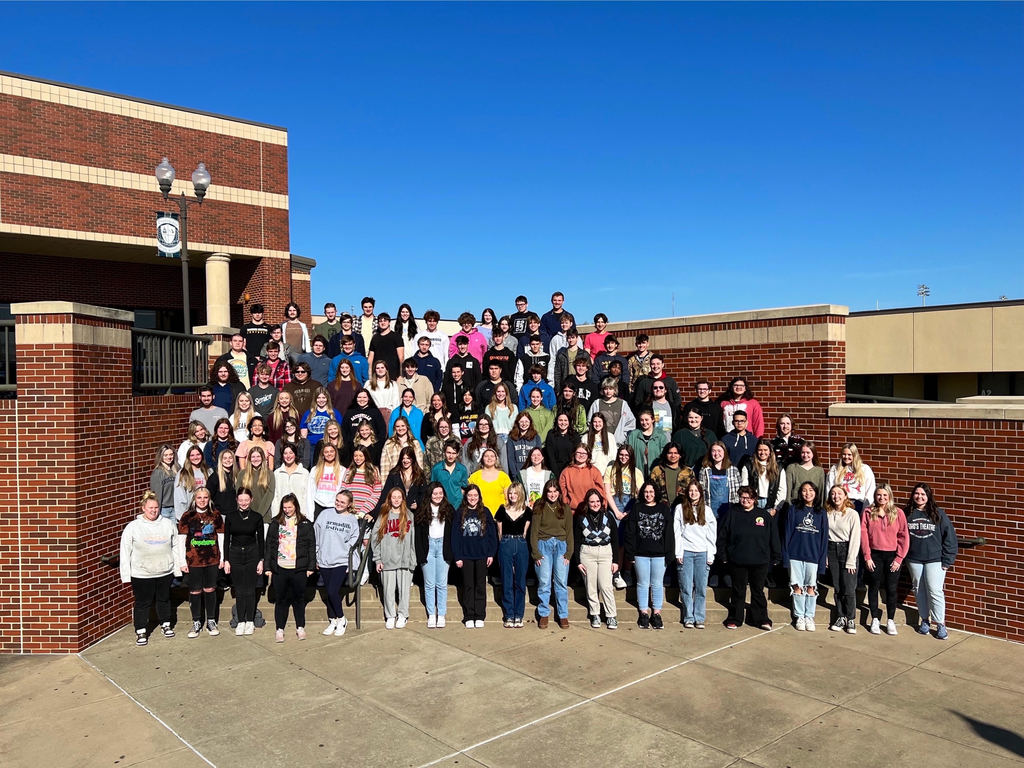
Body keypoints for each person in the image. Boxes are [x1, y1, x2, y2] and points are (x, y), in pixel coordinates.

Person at [120, 491, 183, 646]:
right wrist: (126, 575)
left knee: (164, 599)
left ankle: (165, 624)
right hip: (142, 574)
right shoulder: (133, 527)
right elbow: (125, 551)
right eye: (150, 508)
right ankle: (141, 630)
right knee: (143, 602)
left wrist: (177, 569)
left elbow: (176, 547)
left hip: (164, 571)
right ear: (143, 508)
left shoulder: (167, 524)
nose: (153, 510)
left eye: (156, 507)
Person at [718, 485, 781, 630]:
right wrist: (723, 555)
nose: (745, 500)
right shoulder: (732, 513)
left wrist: (776, 555)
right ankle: (735, 618)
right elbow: (722, 536)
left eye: (748, 498)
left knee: (758, 591)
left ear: (754, 499)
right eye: (742, 497)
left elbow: (774, 537)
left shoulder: (764, 516)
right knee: (738, 590)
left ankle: (761, 619)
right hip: (737, 560)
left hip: (760, 561)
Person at [905, 482, 958, 640]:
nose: (919, 497)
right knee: (918, 589)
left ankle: (940, 623)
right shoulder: (907, 513)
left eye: (923, 494)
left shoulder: (938, 513)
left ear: (928, 496)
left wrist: (947, 560)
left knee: (935, 590)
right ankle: (925, 620)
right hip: (914, 559)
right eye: (917, 494)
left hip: (935, 559)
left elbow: (950, 538)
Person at [265, 494, 315, 642]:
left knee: (299, 599)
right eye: (284, 507)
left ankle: (300, 627)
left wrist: (311, 566)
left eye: (290, 507)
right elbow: (270, 546)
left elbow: (311, 546)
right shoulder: (276, 523)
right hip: (280, 567)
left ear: (296, 507)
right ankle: (279, 629)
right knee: (281, 600)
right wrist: (268, 567)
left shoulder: (305, 523)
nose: (287, 510)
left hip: (298, 568)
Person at [861, 483, 909, 636]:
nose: (881, 498)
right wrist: (867, 557)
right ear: (875, 496)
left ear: (889, 496)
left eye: (884, 495)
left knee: (891, 588)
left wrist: (899, 558)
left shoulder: (898, 513)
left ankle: (890, 620)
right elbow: (864, 536)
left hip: (892, 556)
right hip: (874, 555)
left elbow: (903, 536)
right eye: (878, 495)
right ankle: (875, 618)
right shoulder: (868, 512)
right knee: (874, 586)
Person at [623, 482, 673, 629]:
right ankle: (643, 613)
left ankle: (656, 613)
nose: (649, 494)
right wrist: (630, 554)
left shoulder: (664, 509)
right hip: (640, 554)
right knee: (643, 583)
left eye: (651, 492)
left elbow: (669, 533)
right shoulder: (637, 508)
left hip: (660, 554)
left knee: (657, 584)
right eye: (646, 492)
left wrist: (669, 553)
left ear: (656, 493)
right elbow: (630, 533)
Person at [178, 488, 224, 638]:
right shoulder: (187, 516)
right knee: (195, 590)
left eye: (205, 497)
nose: (202, 500)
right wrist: (181, 560)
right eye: (199, 498)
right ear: (194, 499)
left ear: (209, 499)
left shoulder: (215, 515)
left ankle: (211, 620)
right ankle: (196, 621)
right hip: (193, 559)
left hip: (212, 559)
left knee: (210, 589)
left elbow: (221, 537)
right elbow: (180, 540)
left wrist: (222, 558)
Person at [782, 482, 829, 632]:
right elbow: (787, 533)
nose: (807, 493)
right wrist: (786, 556)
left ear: (815, 493)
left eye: (810, 490)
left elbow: (823, 538)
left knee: (810, 586)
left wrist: (822, 560)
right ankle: (799, 616)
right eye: (804, 491)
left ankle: (809, 616)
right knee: (796, 586)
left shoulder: (821, 513)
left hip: (813, 556)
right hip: (795, 554)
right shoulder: (793, 510)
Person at [451, 485, 498, 628]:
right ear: (466, 497)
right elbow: (455, 536)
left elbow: (492, 535)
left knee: (480, 586)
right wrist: (457, 556)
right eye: (470, 495)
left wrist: (491, 553)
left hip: (482, 555)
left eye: (475, 496)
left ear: (479, 497)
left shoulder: (485, 512)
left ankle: (480, 615)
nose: (472, 498)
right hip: (466, 556)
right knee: (468, 586)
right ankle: (469, 615)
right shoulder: (460, 513)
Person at [529, 480, 573, 629]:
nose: (552, 494)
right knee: (544, 581)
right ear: (545, 492)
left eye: (555, 491)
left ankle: (563, 614)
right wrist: (536, 552)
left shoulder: (565, 508)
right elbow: (533, 532)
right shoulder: (539, 507)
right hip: (543, 545)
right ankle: (544, 613)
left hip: (561, 546)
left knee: (561, 581)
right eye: (550, 491)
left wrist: (569, 553)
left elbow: (569, 533)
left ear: (559, 493)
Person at [574, 489, 619, 629]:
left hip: (606, 552)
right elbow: (576, 540)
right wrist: (578, 562)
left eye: (597, 501)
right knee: (591, 586)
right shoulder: (581, 517)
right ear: (587, 502)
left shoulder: (608, 516)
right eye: (592, 501)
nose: (595, 504)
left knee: (606, 586)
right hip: (587, 553)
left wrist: (616, 561)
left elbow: (616, 540)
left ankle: (611, 615)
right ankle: (595, 614)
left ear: (601, 502)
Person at [673, 480, 716, 629]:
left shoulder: (707, 510)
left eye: (696, 491)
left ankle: (699, 617)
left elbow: (712, 534)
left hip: (702, 553)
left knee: (701, 588)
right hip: (686, 552)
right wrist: (679, 551)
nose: (693, 493)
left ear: (700, 493)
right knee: (686, 587)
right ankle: (688, 617)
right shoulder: (680, 508)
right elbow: (677, 532)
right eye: (691, 491)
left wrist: (711, 554)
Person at [372, 487, 417, 630]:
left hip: (405, 559)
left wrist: (413, 559)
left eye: (399, 497)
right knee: (388, 591)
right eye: (393, 497)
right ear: (389, 499)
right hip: (387, 559)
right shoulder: (383, 515)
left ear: (403, 499)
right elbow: (375, 538)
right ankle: (390, 615)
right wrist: (378, 559)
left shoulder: (409, 515)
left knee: (404, 591)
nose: (396, 500)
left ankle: (403, 615)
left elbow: (414, 539)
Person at [223, 487, 266, 636]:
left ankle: (250, 620)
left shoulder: (257, 517)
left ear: (251, 500)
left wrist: (261, 560)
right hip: (235, 554)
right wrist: (226, 560)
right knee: (239, 590)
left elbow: (261, 540)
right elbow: (226, 539)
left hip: (252, 554)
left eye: (246, 500)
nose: (243, 503)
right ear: (237, 500)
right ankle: (241, 620)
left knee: (250, 589)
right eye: (241, 500)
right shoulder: (230, 517)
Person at [494, 481, 533, 630]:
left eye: (515, 493)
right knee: (507, 580)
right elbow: (499, 532)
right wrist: (504, 545)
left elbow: (526, 531)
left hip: (521, 545)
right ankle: (509, 614)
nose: (512, 495)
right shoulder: (502, 510)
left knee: (520, 581)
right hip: (506, 544)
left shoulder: (527, 511)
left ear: (520, 494)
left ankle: (519, 615)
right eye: (510, 493)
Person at [415, 482, 454, 628]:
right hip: (428, 547)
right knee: (429, 584)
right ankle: (431, 614)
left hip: (443, 547)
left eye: (440, 493)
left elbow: (453, 533)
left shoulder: (449, 509)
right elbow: (418, 535)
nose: (438, 496)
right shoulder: (422, 510)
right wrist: (420, 554)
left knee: (442, 584)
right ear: (430, 494)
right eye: (435, 493)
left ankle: (441, 614)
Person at [825, 485, 862, 633]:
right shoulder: (827, 513)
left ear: (845, 496)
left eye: (839, 493)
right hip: (832, 549)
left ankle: (851, 618)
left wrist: (851, 560)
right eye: (833, 494)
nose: (836, 496)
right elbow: (824, 537)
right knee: (837, 587)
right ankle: (841, 617)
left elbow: (855, 538)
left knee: (849, 587)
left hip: (847, 549)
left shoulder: (852, 514)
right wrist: (826, 556)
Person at [559, 444, 613, 513]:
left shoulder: (594, 471)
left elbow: (601, 491)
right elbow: (563, 492)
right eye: (578, 453)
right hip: (573, 512)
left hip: (591, 511)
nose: (581, 455)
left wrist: (603, 507)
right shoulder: (566, 472)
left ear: (588, 455)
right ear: (574, 454)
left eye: (584, 453)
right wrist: (566, 505)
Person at [826, 443, 877, 513]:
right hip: (840, 503)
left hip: (858, 504)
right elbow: (829, 488)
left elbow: (870, 490)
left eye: (849, 454)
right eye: (844, 454)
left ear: (855, 455)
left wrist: (867, 507)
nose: (846, 457)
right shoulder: (835, 469)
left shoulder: (865, 469)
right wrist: (830, 504)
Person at [379, 445, 429, 515]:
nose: (405, 461)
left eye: (408, 458)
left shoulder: (419, 474)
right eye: (403, 458)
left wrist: (418, 504)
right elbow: (385, 494)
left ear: (413, 459)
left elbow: (424, 494)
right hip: (396, 511)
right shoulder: (394, 474)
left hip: (414, 512)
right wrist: (375, 513)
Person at [698, 442, 741, 521]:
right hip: (710, 512)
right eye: (713, 451)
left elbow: (738, 492)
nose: (716, 453)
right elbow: (701, 491)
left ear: (724, 452)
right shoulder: (705, 470)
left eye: (719, 451)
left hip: (728, 511)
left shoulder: (733, 470)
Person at [745, 438, 788, 515]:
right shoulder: (749, 465)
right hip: (754, 502)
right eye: (760, 450)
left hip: (771, 504)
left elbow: (782, 489)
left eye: (765, 450)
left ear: (770, 451)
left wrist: (776, 507)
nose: (762, 452)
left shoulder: (778, 467)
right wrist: (748, 503)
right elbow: (744, 487)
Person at [588, 377, 636, 444]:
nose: (608, 391)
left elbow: (631, 422)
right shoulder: (597, 403)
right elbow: (590, 421)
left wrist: (622, 436)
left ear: (615, 390)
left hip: (618, 442)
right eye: (606, 389)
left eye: (610, 389)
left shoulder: (622, 404)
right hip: (600, 441)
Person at [340, 448, 383, 522]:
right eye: (355, 456)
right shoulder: (349, 471)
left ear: (365, 456)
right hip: (349, 512)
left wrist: (363, 511)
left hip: (366, 514)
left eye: (361, 456)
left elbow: (376, 494)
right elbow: (343, 490)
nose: (358, 458)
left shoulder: (374, 471)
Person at [632, 355, 681, 420]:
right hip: (649, 419)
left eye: (658, 364)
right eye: (653, 364)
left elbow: (677, 400)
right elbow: (638, 402)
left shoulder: (670, 381)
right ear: (650, 365)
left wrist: (674, 415)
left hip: (667, 417)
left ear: (662, 365)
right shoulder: (644, 382)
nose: (655, 366)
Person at [468, 447, 512, 515]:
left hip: (499, 516)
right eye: (486, 456)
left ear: (496, 459)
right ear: (482, 459)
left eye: (492, 456)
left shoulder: (504, 477)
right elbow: (468, 495)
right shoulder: (474, 476)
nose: (489, 458)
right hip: (479, 515)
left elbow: (508, 498)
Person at [272, 443, 311, 520]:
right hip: (282, 515)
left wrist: (303, 514)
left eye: (291, 453)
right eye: (285, 453)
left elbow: (306, 495)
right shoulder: (277, 473)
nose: (288, 456)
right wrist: (276, 514)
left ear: (295, 455)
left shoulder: (304, 473)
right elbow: (275, 496)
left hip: (299, 515)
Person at [237, 446, 275, 524]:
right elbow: (239, 495)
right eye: (253, 457)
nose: (256, 459)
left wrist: (258, 515)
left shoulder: (269, 474)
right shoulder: (242, 474)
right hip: (246, 516)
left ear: (263, 458)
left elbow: (269, 495)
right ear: (249, 459)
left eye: (258, 456)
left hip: (263, 517)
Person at [307, 442, 344, 520]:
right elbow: (310, 491)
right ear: (323, 454)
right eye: (326, 452)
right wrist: (310, 513)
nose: (329, 454)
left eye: (331, 451)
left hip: (334, 507)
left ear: (335, 453)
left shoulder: (342, 470)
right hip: (318, 505)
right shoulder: (315, 469)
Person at [626, 410, 667, 478]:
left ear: (653, 419)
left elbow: (665, 455)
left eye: (646, 420)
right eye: (642, 420)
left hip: (655, 473)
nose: (644, 422)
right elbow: (628, 453)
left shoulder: (660, 436)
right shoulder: (633, 435)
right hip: (638, 472)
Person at [173, 445, 210, 520]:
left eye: (198, 454)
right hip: (190, 514)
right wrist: (182, 517)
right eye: (192, 455)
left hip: (207, 513)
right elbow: (179, 497)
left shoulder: (208, 471)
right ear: (188, 458)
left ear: (202, 456)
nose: (195, 457)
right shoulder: (183, 474)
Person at [430, 439, 469, 508]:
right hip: (441, 505)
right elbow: (432, 487)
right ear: (444, 452)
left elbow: (464, 488)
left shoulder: (462, 469)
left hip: (458, 505)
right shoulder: (437, 468)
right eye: (448, 453)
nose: (451, 456)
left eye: (454, 453)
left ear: (457, 454)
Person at [548, 315, 583, 387]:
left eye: (566, 323)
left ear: (571, 323)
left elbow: (581, 357)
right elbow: (552, 359)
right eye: (562, 323)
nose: (564, 325)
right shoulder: (555, 339)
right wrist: (551, 379)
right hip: (561, 375)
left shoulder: (577, 338)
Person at [368, 312, 405, 380]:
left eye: (385, 320)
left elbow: (401, 358)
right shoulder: (375, 338)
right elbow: (370, 359)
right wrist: (370, 375)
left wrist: (401, 374)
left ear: (389, 322)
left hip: (393, 374)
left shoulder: (396, 336)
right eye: (380, 321)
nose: (383, 323)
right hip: (377, 374)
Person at [505, 412, 541, 482]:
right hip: (517, 474)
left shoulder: (536, 437)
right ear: (517, 422)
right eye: (521, 421)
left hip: (532, 473)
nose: (524, 424)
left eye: (526, 421)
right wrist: (515, 475)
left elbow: (539, 456)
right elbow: (511, 459)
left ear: (530, 422)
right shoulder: (511, 438)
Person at [544, 412, 580, 480]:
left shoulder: (575, 435)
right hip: (554, 469)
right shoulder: (551, 434)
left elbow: (576, 454)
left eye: (565, 420)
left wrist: (569, 471)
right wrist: (556, 474)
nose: (563, 423)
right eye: (560, 420)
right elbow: (550, 456)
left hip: (570, 470)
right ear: (557, 421)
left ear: (569, 422)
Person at [206, 449, 238, 518]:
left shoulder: (237, 475)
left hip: (236, 513)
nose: (228, 460)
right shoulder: (214, 477)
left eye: (230, 458)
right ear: (221, 460)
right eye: (225, 458)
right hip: (221, 515)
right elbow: (208, 496)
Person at [150, 445, 179, 519]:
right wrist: (157, 511)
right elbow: (156, 495)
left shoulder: (177, 469)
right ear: (160, 456)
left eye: (171, 454)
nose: (169, 457)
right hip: (164, 510)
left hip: (177, 508)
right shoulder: (158, 472)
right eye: (165, 455)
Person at [241, 303, 270, 369]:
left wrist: (263, 357)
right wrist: (251, 357)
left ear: (262, 313)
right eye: (255, 312)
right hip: (249, 359)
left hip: (264, 359)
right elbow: (243, 345)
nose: (257, 314)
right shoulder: (245, 328)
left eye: (259, 312)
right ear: (251, 314)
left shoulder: (268, 328)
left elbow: (270, 345)